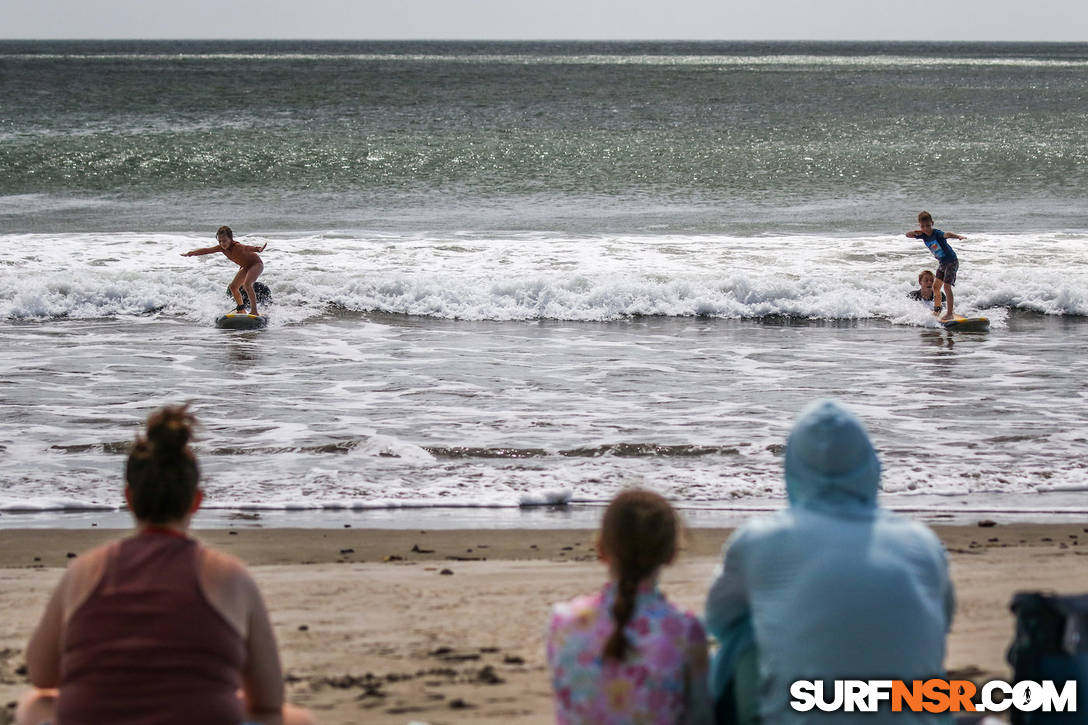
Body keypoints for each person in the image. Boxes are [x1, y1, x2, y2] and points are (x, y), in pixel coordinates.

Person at [16, 405, 315, 725]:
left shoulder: (84, 571)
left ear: (129, 498)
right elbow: (268, 699)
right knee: (297, 719)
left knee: (35, 703)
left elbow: (42, 674)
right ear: (196, 501)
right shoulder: (229, 575)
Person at [705, 400, 955, 724]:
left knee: (745, 631)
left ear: (792, 465)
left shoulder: (758, 540)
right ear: (869, 462)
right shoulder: (922, 543)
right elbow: (942, 622)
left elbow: (718, 621)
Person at [546, 489, 712, 725]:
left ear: (601, 548)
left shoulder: (562, 622)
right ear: (671, 554)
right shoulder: (685, 630)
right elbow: (701, 717)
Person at [183, 226, 268, 316]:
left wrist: (257, 249)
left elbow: (246, 247)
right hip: (246, 267)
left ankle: (254, 311)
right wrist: (191, 253)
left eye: (224, 241)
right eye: (219, 241)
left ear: (230, 239)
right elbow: (207, 250)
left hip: (256, 264)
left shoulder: (237, 246)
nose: (222, 243)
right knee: (233, 287)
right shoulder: (221, 248)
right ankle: (241, 309)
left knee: (247, 285)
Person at [905, 211, 965, 322]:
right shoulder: (922, 235)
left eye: (928, 225)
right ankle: (937, 310)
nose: (926, 228)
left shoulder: (936, 233)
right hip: (942, 263)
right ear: (920, 226)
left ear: (932, 223)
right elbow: (907, 235)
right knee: (936, 287)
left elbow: (947, 234)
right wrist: (916, 232)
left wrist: (958, 236)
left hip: (951, 261)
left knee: (946, 287)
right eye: (923, 226)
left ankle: (950, 313)